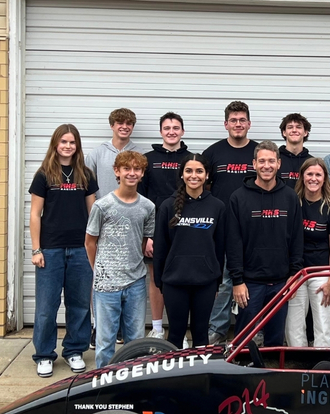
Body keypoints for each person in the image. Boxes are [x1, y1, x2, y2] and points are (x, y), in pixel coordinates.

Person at [29, 124, 99, 378]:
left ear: (77, 145)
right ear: (55, 144)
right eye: (64, 142)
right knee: (47, 306)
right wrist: (36, 249)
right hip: (50, 249)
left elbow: (94, 214)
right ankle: (44, 355)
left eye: (72, 142)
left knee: (80, 304)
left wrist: (95, 246)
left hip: (80, 249)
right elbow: (35, 214)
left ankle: (74, 350)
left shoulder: (86, 174)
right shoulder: (44, 174)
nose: (68, 146)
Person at [227, 140, 304, 347]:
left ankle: (270, 377)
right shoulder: (238, 198)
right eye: (262, 161)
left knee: (275, 342)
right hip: (249, 284)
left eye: (271, 161)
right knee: (243, 342)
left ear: (279, 163)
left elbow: (297, 238)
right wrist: (237, 281)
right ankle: (241, 375)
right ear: (254, 164)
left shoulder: (290, 197)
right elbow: (233, 242)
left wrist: (294, 275)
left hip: (281, 283)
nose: (266, 166)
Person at [85, 151, 155, 368]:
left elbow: (143, 242)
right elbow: (90, 242)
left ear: (142, 173)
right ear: (117, 171)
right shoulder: (102, 206)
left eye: (137, 169)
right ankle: (103, 385)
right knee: (105, 342)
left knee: (135, 341)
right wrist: (99, 270)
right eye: (127, 168)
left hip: (135, 282)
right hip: (106, 285)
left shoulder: (148, 207)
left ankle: (131, 383)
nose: (131, 173)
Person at [154, 154, 225, 348]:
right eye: (189, 171)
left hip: (206, 282)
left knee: (201, 334)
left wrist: (216, 280)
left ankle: (200, 376)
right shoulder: (168, 206)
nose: (194, 175)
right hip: (174, 282)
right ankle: (176, 376)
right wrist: (160, 279)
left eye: (199, 171)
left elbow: (220, 247)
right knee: (176, 334)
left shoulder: (217, 207)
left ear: (207, 175)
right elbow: (160, 246)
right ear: (182, 175)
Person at [204, 101, 259, 345]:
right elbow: (202, 188)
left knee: (255, 280)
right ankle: (217, 330)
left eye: (242, 120)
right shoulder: (213, 153)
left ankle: (254, 331)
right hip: (222, 229)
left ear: (249, 123)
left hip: (256, 227)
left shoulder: (259, 153)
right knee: (226, 283)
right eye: (233, 120)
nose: (238, 124)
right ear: (226, 124)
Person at [140, 112, 192, 341]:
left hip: (187, 230)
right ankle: (158, 327)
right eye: (167, 127)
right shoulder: (147, 159)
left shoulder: (191, 158)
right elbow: (140, 200)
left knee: (187, 278)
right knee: (156, 278)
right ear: (161, 131)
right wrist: (147, 236)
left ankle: (182, 329)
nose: (171, 131)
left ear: (182, 131)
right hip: (156, 231)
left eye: (176, 127)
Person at [285, 158, 330, 347]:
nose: (314, 178)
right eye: (310, 174)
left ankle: (324, 364)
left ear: (325, 178)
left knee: (324, 323)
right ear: (302, 176)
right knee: (293, 323)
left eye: (318, 174)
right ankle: (297, 364)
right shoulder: (293, 204)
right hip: (296, 271)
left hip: (321, 272)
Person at [85, 108, 140, 199]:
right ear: (112, 125)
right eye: (120, 123)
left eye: (129, 123)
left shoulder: (141, 155)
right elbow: (87, 188)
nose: (125, 127)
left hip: (133, 210)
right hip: (104, 210)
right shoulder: (96, 155)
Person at [278, 113, 312, 189]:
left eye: (298, 127)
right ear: (284, 132)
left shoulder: (311, 162)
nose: (294, 130)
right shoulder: (275, 159)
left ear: (305, 132)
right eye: (290, 127)